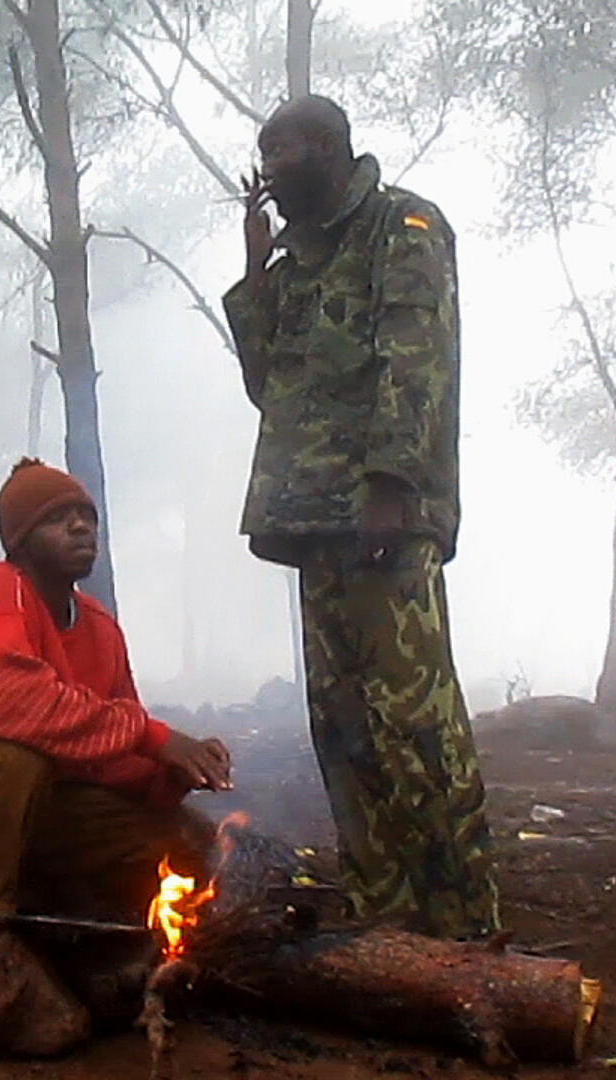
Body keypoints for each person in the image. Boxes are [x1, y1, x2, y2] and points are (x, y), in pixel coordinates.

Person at [220, 94, 499, 939]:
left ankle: (462, 918)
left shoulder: (402, 228)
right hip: (314, 524)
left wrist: (389, 485)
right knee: (341, 728)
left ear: (331, 147)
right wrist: (257, 268)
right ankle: (386, 914)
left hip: (384, 517)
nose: (269, 169)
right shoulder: (298, 261)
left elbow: (417, 361)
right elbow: (269, 385)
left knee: (413, 720)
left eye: (283, 151)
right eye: (264, 154)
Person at [0, 457, 234, 965]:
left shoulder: (100, 627)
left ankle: (98, 943)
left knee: (186, 836)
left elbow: (113, 751)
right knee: (13, 756)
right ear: (20, 541)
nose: (80, 526)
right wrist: (156, 739)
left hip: (47, 814)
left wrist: (171, 773)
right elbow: (12, 707)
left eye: (86, 516)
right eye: (56, 518)